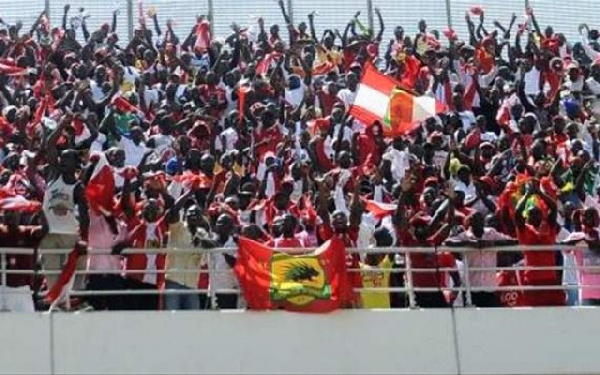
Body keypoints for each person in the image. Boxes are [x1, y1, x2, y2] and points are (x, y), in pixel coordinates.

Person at [445, 212, 517, 307]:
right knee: (472, 320)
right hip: (471, 290)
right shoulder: (465, 236)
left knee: (491, 319)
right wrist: (470, 244)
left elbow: (512, 242)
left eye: (481, 220)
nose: (479, 223)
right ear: (471, 222)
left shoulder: (491, 233)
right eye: (476, 220)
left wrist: (492, 244)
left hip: (489, 288)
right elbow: (448, 242)